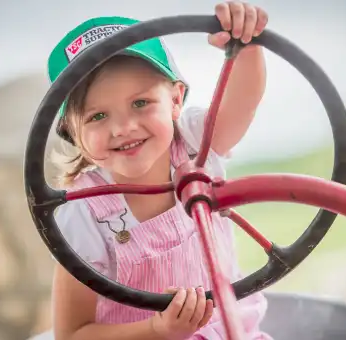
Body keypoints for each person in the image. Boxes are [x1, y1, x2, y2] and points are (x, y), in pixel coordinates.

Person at [48, 1, 270, 339]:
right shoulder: (84, 213)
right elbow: (73, 333)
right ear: (73, 133)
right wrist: (157, 329)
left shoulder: (199, 144)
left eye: (140, 103)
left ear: (176, 99)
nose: (123, 128)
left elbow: (243, 101)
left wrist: (247, 45)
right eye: (97, 116)